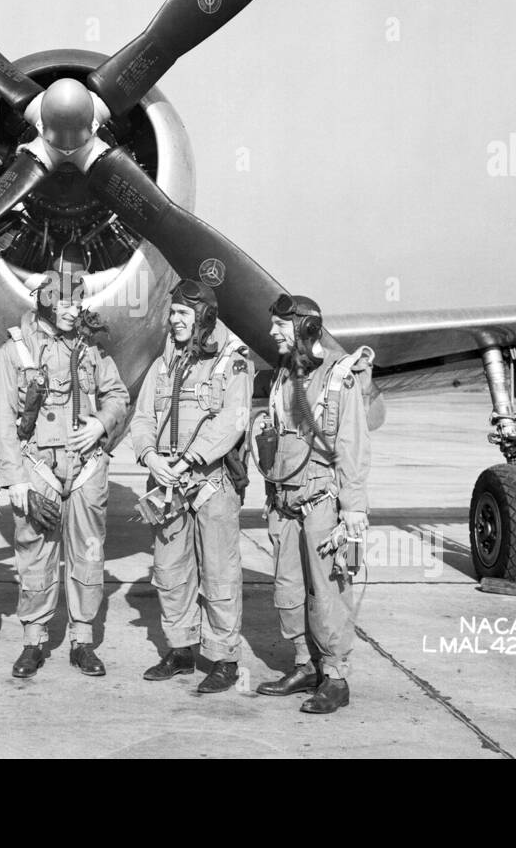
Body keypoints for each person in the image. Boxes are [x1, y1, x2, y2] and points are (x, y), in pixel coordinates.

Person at [0, 257, 130, 678]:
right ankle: (34, 640)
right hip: (38, 470)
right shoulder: (13, 353)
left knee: (89, 553)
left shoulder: (91, 349)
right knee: (34, 554)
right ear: (48, 303)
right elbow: (2, 422)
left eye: (78, 302)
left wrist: (100, 424)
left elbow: (118, 396)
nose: (75, 310)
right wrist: (15, 482)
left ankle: (82, 639)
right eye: (67, 303)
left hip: (86, 467)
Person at [128, 280, 252, 693]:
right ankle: (181, 650)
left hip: (209, 483)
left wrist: (184, 460)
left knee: (218, 573)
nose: (174, 321)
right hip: (166, 485)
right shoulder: (165, 362)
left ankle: (223, 658)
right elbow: (142, 417)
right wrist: (151, 458)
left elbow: (232, 423)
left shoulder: (232, 362)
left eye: (183, 314)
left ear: (204, 317)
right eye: (173, 313)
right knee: (170, 571)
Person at [252, 294, 371, 714]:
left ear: (304, 328)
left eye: (281, 326)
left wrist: (354, 509)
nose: (271, 333)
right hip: (283, 501)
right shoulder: (285, 373)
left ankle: (336, 678)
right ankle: (304, 665)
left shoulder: (340, 378)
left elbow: (352, 445)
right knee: (287, 589)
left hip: (321, 502)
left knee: (327, 593)